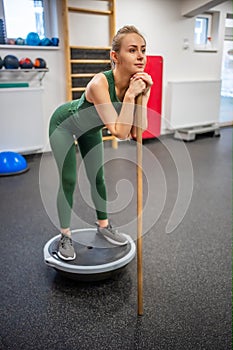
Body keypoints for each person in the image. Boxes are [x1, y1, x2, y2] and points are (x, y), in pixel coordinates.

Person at [49, 25, 153, 261]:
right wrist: (129, 97)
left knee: (98, 177)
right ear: (115, 56)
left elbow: (136, 132)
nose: (140, 56)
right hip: (63, 125)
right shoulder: (99, 84)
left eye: (143, 50)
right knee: (69, 179)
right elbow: (118, 132)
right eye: (133, 50)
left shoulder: (135, 85)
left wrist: (142, 97)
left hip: (90, 129)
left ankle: (103, 225)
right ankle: (65, 235)